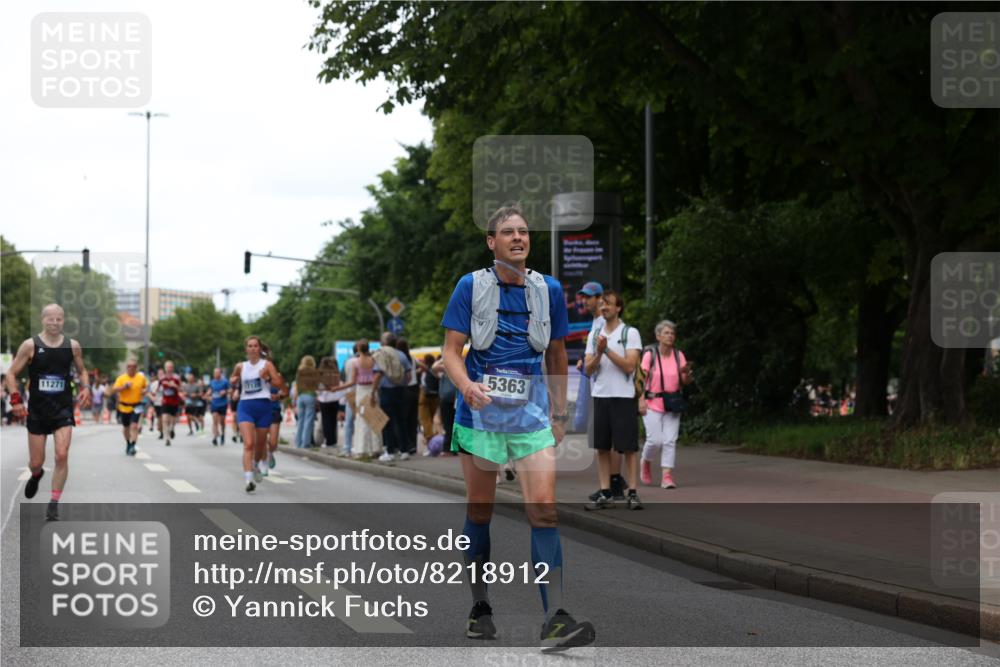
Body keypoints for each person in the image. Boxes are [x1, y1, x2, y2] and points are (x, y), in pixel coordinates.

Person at [441, 204, 594, 651]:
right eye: (507, 232)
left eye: (523, 231)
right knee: (480, 512)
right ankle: (481, 607)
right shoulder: (470, 286)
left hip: (529, 416)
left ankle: (556, 617)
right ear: (492, 242)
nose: (517, 237)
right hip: (480, 414)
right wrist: (466, 385)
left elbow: (559, 355)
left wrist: (561, 412)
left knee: (544, 509)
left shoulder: (548, 289)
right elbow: (452, 350)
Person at [3, 304, 91, 521]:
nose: (55, 322)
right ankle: (36, 474)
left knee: (62, 455)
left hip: (62, 410)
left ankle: (53, 503)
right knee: (36, 461)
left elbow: (82, 371)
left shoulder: (73, 346)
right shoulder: (30, 345)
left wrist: (86, 387)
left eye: (59, 319)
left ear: (64, 320)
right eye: (50, 319)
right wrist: (15, 400)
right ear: (43, 320)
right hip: (38, 411)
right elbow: (11, 374)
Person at [583, 290, 644, 510]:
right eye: (601, 304)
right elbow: (588, 370)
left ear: (618, 308)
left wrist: (606, 349)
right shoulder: (594, 335)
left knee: (628, 447)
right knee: (601, 447)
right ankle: (605, 490)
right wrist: (599, 352)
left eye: (608, 304)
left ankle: (633, 492)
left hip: (623, 396)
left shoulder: (630, 333)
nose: (604, 307)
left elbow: (629, 365)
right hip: (601, 395)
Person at [639, 320, 693, 489]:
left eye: (672, 333)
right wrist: (640, 399)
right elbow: (641, 378)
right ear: (658, 336)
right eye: (667, 333)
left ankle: (667, 476)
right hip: (652, 401)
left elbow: (685, 381)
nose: (670, 336)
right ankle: (646, 461)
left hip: (673, 402)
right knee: (655, 441)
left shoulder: (679, 355)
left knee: (670, 440)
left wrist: (687, 375)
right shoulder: (650, 355)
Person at [230, 336, 286, 493]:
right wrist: (233, 381)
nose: (253, 348)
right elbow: (233, 378)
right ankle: (248, 480)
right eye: (250, 346)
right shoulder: (241, 366)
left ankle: (255, 464)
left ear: (260, 348)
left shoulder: (267, 365)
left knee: (260, 445)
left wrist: (267, 377)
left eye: (255, 346)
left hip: (264, 406)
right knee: (248, 443)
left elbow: (279, 384)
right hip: (246, 406)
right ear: (246, 349)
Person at [371, 332, 413, 462]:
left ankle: (389, 451)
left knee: (387, 422)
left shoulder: (382, 354)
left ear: (384, 343)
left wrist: (372, 392)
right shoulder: (401, 355)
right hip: (401, 391)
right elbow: (409, 376)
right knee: (401, 421)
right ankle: (404, 450)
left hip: (386, 391)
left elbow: (378, 375)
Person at [110, 360, 149, 456]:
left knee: (134, 426)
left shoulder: (141, 378)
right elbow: (114, 389)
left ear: (136, 368)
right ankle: (128, 443)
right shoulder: (121, 378)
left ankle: (133, 445)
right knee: (126, 427)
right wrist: (124, 387)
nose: (131, 368)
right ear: (126, 368)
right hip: (124, 406)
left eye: (134, 366)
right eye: (129, 366)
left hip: (137, 405)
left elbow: (146, 387)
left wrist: (144, 391)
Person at [351, 339, 381, 458]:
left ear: (358, 348)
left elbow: (353, 381)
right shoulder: (373, 361)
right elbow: (378, 376)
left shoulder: (356, 362)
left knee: (362, 420)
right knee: (374, 420)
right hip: (372, 390)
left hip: (361, 390)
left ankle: (362, 449)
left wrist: (338, 388)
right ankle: (376, 448)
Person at [317, 356, 353, 450]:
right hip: (335, 399)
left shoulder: (321, 375)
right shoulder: (335, 374)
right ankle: (333, 441)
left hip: (324, 400)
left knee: (326, 421)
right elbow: (341, 388)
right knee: (333, 422)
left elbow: (318, 389)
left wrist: (319, 394)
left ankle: (328, 441)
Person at [397, 337, 420, 455]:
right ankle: (413, 446)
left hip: (405, 389)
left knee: (404, 419)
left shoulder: (400, 359)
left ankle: (406, 444)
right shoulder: (412, 358)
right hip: (415, 390)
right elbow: (420, 368)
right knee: (413, 418)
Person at [293, 355, 318, 449]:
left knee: (300, 421)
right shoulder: (314, 372)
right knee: (308, 421)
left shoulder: (299, 372)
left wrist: (294, 401)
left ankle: (298, 443)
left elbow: (296, 387)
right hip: (310, 396)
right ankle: (305, 443)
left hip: (300, 397)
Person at [417, 353, 440, 447]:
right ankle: (434, 437)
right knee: (432, 417)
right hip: (435, 396)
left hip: (425, 395)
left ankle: (430, 438)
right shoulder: (435, 370)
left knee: (424, 418)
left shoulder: (424, 370)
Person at [159, 361, 183, 446]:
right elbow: (158, 389)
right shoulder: (162, 378)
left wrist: (174, 386)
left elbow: (181, 389)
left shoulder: (176, 378)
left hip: (174, 402)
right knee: (165, 419)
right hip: (165, 401)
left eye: (170, 367)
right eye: (167, 367)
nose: (169, 368)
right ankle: (167, 438)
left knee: (172, 420)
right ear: (165, 368)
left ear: (172, 368)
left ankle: (172, 429)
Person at [208, 367, 230, 446]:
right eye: (214, 373)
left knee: (222, 422)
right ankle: (215, 436)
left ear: (220, 373)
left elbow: (230, 390)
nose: (215, 374)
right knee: (214, 420)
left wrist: (225, 391)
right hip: (214, 403)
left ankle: (223, 435)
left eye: (217, 373)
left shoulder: (225, 382)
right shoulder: (212, 382)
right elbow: (210, 390)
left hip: (223, 403)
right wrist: (208, 395)